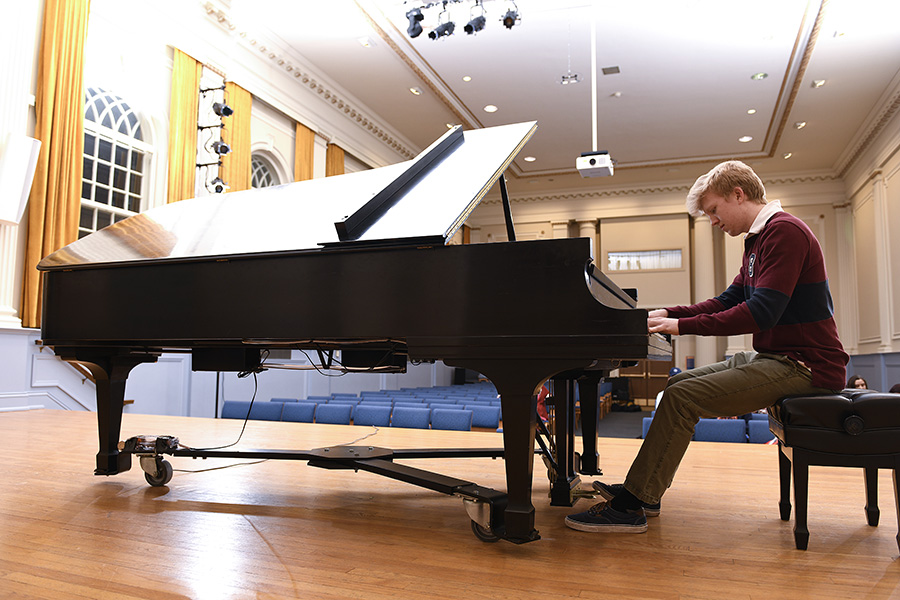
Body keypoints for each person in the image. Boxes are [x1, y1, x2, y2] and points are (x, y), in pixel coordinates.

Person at [566, 160, 848, 534]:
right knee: (677, 386)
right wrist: (668, 312)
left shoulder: (785, 232)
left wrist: (681, 326)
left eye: (714, 211)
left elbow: (761, 313)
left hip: (807, 366)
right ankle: (644, 492)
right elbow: (728, 300)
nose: (714, 221)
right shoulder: (759, 239)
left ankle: (632, 505)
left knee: (686, 397)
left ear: (738, 194)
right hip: (780, 358)